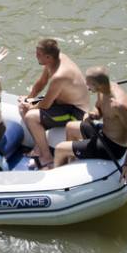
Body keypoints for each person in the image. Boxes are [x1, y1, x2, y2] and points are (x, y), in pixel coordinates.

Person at [54, 66, 127, 184]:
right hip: (103, 133)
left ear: (99, 85)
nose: (86, 85)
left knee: (60, 148)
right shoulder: (102, 91)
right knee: (70, 126)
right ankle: (71, 163)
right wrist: (93, 114)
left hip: (113, 147)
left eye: (89, 83)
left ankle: (57, 180)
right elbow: (98, 109)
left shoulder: (120, 105)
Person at [18, 39, 89, 170]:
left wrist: (32, 107)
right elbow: (41, 82)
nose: (35, 56)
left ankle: (47, 158)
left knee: (31, 116)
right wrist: (28, 99)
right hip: (62, 103)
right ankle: (38, 148)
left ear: (48, 57)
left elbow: (45, 105)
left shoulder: (59, 75)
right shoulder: (53, 62)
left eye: (38, 54)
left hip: (75, 111)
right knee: (22, 106)